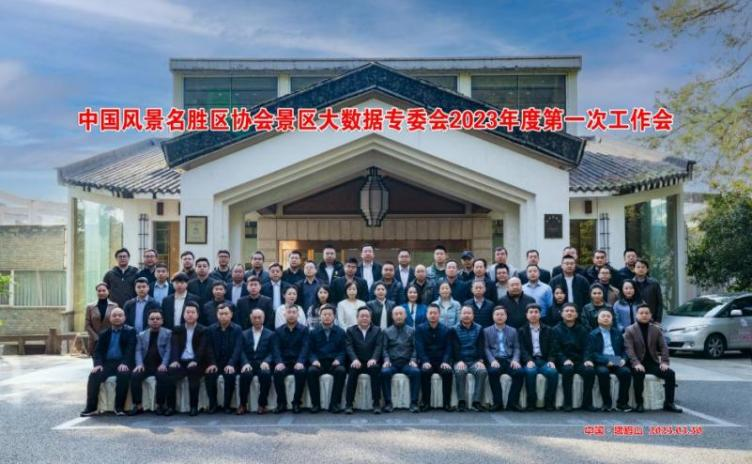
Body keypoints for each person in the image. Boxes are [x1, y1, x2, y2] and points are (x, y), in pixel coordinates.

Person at [624, 304, 682, 413]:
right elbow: (629, 349)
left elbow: (664, 347)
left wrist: (664, 362)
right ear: (636, 315)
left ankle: (669, 403)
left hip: (652, 363)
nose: (644, 315)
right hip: (636, 363)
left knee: (670, 374)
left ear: (650, 315)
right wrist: (636, 363)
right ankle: (639, 403)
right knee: (639, 373)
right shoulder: (630, 330)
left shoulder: (656, 329)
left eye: (647, 313)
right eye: (641, 313)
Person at [80, 308, 136, 417]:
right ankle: (91, 408)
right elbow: (98, 351)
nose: (117, 317)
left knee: (123, 375)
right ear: (110, 318)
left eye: (120, 315)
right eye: (114, 315)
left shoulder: (131, 331)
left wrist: (125, 363)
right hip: (108, 364)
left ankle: (119, 407)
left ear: (124, 318)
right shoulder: (104, 333)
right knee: (94, 375)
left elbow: (130, 350)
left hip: (123, 362)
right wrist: (98, 364)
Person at [168, 302, 213, 416]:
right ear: (183, 314)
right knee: (170, 374)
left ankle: (193, 407)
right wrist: (174, 360)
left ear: (197, 315)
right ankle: (171, 407)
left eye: (193, 312)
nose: (190, 315)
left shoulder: (203, 330)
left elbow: (202, 348)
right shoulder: (177, 329)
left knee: (194, 375)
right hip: (181, 361)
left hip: (197, 362)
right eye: (187, 312)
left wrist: (195, 361)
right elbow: (174, 346)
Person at [551, 303, 597, 412]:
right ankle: (567, 403)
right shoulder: (555, 329)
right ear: (561, 314)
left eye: (572, 311)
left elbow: (587, 347)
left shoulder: (583, 329)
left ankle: (587, 403)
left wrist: (587, 360)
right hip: (563, 361)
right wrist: (564, 360)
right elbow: (556, 349)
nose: (569, 313)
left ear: (576, 314)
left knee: (590, 370)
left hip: (579, 361)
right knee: (567, 370)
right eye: (566, 311)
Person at [585, 309, 632, 412]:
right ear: (598, 319)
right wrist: (606, 360)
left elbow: (625, 349)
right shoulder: (593, 334)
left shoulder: (617, 333)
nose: (606, 318)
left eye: (608, 316)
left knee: (626, 372)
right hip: (601, 361)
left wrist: (624, 359)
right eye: (603, 316)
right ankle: (607, 403)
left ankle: (622, 403)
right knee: (603, 372)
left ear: (612, 319)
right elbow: (592, 353)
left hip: (616, 359)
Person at [130, 309, 172, 416]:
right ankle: (138, 405)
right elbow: (138, 351)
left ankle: (160, 405)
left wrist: (164, 364)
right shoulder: (141, 335)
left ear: (162, 321)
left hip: (160, 364)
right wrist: (139, 364)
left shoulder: (168, 333)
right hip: (146, 365)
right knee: (135, 376)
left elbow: (168, 350)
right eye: (152, 319)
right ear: (148, 321)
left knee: (162, 376)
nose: (155, 321)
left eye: (158, 318)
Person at [306, 304, 347, 413]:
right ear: (320, 316)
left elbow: (343, 350)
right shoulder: (313, 332)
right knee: (311, 371)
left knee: (341, 371)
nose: (327, 316)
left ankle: (335, 404)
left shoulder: (341, 332)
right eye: (324, 314)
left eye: (329, 314)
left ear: (334, 316)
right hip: (319, 362)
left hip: (334, 362)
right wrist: (314, 360)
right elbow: (310, 350)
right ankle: (315, 404)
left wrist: (339, 359)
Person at [518, 304, 559, 411]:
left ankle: (549, 402)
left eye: (536, 312)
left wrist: (551, 360)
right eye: (531, 312)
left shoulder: (548, 330)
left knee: (553, 372)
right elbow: (521, 348)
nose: (533, 314)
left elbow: (553, 347)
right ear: (526, 315)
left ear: (540, 314)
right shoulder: (522, 330)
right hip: (530, 360)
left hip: (544, 360)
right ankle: (531, 402)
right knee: (530, 372)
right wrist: (528, 360)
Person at [484, 306, 525, 412]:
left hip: (509, 359)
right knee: (493, 372)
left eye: (502, 314)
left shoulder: (513, 330)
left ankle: (513, 402)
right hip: (495, 359)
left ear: (506, 316)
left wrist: (515, 360)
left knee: (520, 372)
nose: (500, 316)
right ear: (493, 316)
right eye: (497, 314)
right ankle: (497, 403)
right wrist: (492, 360)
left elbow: (517, 347)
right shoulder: (486, 331)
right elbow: (486, 348)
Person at [381, 306, 421, 413]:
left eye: (401, 314)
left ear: (405, 315)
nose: (399, 316)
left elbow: (415, 348)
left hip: (407, 363)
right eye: (396, 314)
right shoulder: (386, 331)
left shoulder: (412, 331)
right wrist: (386, 360)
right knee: (384, 372)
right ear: (392, 316)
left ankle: (414, 403)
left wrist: (413, 359)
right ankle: (388, 403)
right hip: (392, 363)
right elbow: (384, 349)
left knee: (416, 372)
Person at [344, 306, 384, 414]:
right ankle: (349, 404)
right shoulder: (350, 330)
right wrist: (354, 359)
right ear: (357, 318)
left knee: (375, 369)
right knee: (352, 371)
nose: (365, 318)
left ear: (371, 318)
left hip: (371, 361)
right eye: (362, 316)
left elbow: (378, 346)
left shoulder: (377, 330)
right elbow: (349, 347)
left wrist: (374, 359)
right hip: (357, 361)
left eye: (367, 316)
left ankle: (376, 403)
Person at [204, 303, 243, 414]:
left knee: (230, 375)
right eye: (221, 314)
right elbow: (208, 348)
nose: (223, 316)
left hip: (231, 362)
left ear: (231, 315)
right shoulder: (210, 329)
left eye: (226, 313)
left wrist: (231, 364)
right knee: (210, 375)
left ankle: (227, 405)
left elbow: (238, 349)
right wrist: (212, 363)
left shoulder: (237, 329)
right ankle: (213, 404)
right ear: (217, 315)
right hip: (216, 362)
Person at [415, 304, 453, 412]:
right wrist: (425, 361)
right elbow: (419, 347)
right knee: (425, 372)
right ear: (426, 314)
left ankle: (446, 403)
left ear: (439, 314)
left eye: (435, 313)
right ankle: (426, 403)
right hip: (427, 360)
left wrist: (445, 361)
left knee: (448, 372)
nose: (432, 315)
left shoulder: (446, 330)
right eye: (430, 313)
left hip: (441, 361)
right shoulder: (420, 329)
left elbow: (449, 348)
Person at [272, 305, 309, 413]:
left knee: (301, 372)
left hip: (298, 361)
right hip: (284, 362)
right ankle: (281, 403)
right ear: (285, 314)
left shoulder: (304, 330)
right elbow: (276, 349)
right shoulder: (278, 331)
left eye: (294, 312)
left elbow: (305, 347)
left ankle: (296, 402)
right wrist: (279, 362)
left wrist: (300, 362)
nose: (291, 315)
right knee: (278, 372)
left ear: (298, 314)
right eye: (289, 312)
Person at [238, 309, 275, 415]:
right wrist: (245, 363)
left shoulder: (271, 334)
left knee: (266, 374)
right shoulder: (244, 334)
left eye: (259, 317)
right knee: (245, 374)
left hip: (263, 363)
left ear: (263, 318)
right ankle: (243, 404)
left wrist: (267, 361)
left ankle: (262, 404)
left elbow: (273, 351)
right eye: (255, 318)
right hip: (249, 363)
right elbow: (240, 351)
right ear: (251, 319)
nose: (257, 320)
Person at [452, 305, 487, 412]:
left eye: (469, 313)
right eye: (464, 313)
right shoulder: (454, 329)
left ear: (473, 315)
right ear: (460, 315)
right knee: (460, 371)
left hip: (474, 361)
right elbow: (454, 348)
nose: (466, 315)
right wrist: (459, 361)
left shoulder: (479, 328)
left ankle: (477, 402)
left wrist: (480, 360)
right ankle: (461, 401)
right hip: (460, 360)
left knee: (482, 371)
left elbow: (481, 346)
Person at [85, 282, 118, 356]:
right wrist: (96, 337)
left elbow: (116, 323)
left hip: (110, 339)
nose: (101, 293)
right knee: (96, 361)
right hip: (94, 341)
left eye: (104, 290)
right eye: (99, 291)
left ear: (108, 291)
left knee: (109, 361)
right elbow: (87, 325)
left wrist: (108, 336)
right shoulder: (90, 307)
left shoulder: (114, 306)